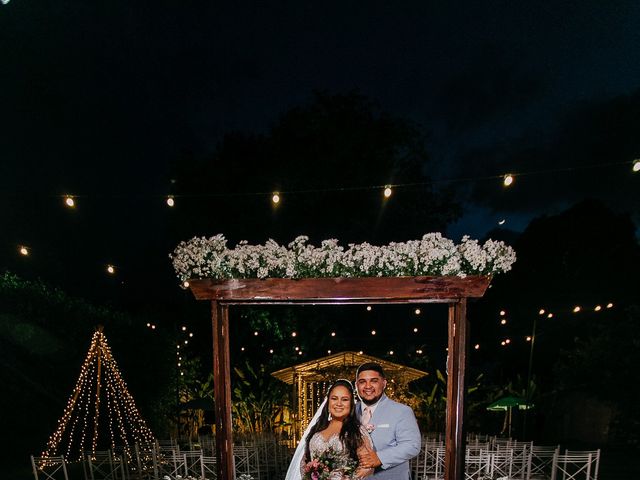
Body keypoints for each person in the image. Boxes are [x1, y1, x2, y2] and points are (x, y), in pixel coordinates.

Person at [285, 379, 374, 480]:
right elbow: (305, 463)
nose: (339, 403)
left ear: (351, 404)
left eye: (344, 399)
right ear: (328, 402)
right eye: (334, 398)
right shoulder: (317, 428)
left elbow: (368, 466)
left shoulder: (357, 431)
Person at [355, 362, 421, 480]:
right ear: (357, 385)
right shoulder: (350, 412)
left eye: (374, 381)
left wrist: (380, 457)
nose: (368, 386)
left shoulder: (402, 411)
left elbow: (412, 445)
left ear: (384, 383)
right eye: (362, 381)